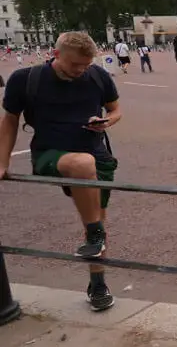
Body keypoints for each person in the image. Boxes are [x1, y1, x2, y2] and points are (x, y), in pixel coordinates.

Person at [0, 31, 121, 312]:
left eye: (86, 65)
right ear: (56, 55)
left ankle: (98, 284)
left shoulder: (97, 76)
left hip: (97, 155)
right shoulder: (25, 79)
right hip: (50, 154)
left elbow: (116, 110)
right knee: (83, 168)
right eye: (75, 65)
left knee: (98, 222)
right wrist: (2, 162)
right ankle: (94, 235)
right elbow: (9, 121)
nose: (81, 71)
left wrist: (106, 121)